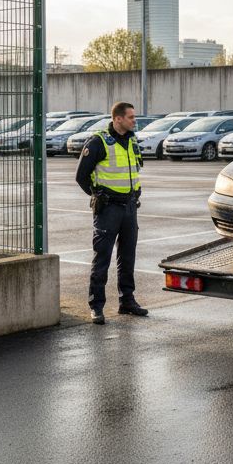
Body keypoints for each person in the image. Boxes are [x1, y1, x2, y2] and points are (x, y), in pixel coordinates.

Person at [75, 101, 148, 324]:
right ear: (118, 119)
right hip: (108, 209)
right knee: (102, 258)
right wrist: (97, 195)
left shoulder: (132, 140)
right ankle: (96, 306)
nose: (134, 121)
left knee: (127, 257)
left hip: (129, 207)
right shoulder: (98, 142)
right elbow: (81, 176)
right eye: (131, 117)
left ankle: (127, 301)